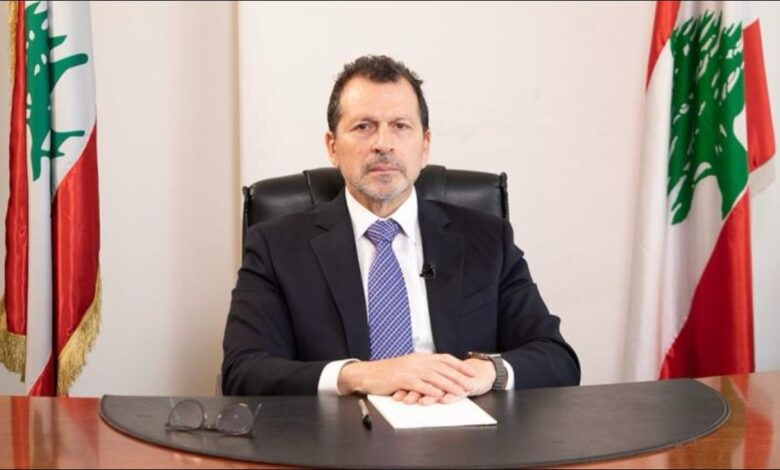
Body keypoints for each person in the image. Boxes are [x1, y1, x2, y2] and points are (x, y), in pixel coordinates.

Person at [222, 55, 579, 404]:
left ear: (425, 146)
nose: (384, 143)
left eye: (400, 126)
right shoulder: (276, 246)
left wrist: (485, 372)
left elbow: (557, 358)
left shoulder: (488, 239)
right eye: (363, 126)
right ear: (332, 147)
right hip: (339, 434)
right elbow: (243, 371)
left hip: (462, 429)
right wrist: (358, 375)